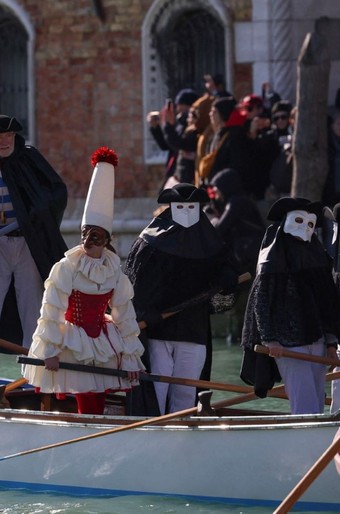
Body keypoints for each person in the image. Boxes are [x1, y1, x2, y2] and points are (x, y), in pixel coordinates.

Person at [22, 147, 145, 414]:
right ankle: (83, 427)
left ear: (107, 240)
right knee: (85, 394)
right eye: (85, 234)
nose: (88, 241)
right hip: (71, 341)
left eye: (96, 236)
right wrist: (51, 351)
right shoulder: (66, 267)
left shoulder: (113, 270)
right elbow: (52, 309)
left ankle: (95, 426)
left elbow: (124, 313)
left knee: (97, 394)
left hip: (102, 340)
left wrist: (132, 358)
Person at [124, 183, 240, 415]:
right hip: (158, 329)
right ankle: (154, 431)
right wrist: (145, 313)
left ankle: (182, 434)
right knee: (157, 388)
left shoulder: (211, 242)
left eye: (191, 206)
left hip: (192, 330)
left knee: (186, 392)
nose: (186, 211)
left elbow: (225, 275)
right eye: (181, 206)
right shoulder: (150, 242)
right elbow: (134, 285)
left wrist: (227, 277)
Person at [0, 114, 68, 349]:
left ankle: (33, 370)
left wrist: (38, 212)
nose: (4, 141)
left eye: (9, 135)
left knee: (32, 307)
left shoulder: (29, 158)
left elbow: (57, 192)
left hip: (27, 243)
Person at [240, 197, 340, 414]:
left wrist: (331, 342)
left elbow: (327, 301)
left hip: (318, 339)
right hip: (287, 343)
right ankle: (306, 440)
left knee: (315, 395)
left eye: (311, 224)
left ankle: (315, 441)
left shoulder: (317, 256)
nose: (305, 227)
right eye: (299, 220)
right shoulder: (272, 258)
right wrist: (270, 339)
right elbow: (261, 301)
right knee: (303, 399)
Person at [204, 168, 266, 343]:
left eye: (217, 189)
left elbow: (219, 229)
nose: (215, 194)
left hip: (247, 262)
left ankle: (241, 336)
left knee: (242, 302)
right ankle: (240, 335)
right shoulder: (241, 201)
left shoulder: (237, 202)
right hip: (247, 260)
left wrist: (211, 217)